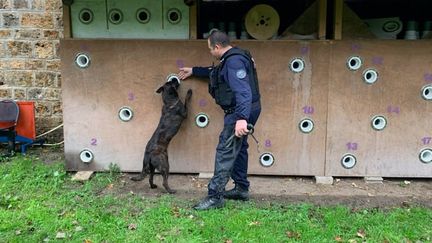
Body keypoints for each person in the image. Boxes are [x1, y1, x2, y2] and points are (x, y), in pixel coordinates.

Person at [178, 30, 261, 210]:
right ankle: (241, 188)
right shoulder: (233, 58)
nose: (210, 52)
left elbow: (243, 92)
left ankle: (215, 197)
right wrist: (193, 70)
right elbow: (215, 72)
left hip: (240, 111)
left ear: (217, 47)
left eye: (210, 49)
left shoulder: (234, 62)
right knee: (239, 149)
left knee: (226, 150)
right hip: (246, 109)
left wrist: (241, 119)